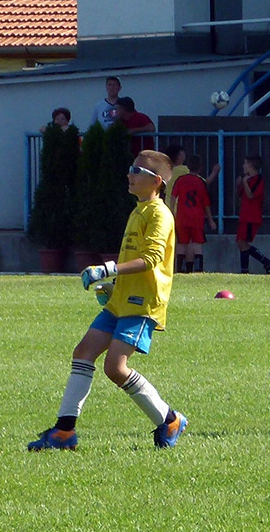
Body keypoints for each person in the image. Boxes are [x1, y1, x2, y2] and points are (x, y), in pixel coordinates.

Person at [27, 148, 187, 453]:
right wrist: (115, 286)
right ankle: (64, 432)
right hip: (121, 301)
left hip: (141, 303)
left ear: (156, 181)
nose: (129, 174)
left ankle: (170, 420)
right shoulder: (139, 210)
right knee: (83, 352)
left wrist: (107, 269)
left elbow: (151, 259)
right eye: (130, 168)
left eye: (137, 170)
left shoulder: (159, 214)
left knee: (115, 368)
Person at [170, 153, 212, 273]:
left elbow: (173, 197)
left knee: (182, 243)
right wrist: (210, 220)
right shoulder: (201, 182)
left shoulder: (180, 180)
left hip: (182, 218)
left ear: (188, 166)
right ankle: (198, 269)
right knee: (197, 244)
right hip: (197, 218)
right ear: (200, 167)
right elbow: (206, 204)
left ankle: (179, 269)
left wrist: (172, 212)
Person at [234, 155, 270, 272]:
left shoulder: (258, 180)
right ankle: (266, 262)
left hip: (251, 217)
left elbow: (251, 195)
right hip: (245, 216)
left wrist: (245, 182)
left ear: (251, 166)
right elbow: (240, 195)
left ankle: (251, 268)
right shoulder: (247, 180)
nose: (243, 166)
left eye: (245, 163)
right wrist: (238, 185)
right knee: (241, 242)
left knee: (242, 242)